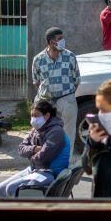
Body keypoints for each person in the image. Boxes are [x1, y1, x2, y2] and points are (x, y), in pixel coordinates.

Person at [0, 101, 70, 198]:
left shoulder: (56, 132)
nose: (33, 119)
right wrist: (35, 148)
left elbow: (43, 157)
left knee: (11, 189)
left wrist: (30, 155)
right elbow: (21, 149)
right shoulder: (36, 129)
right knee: (0, 189)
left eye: (36, 116)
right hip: (35, 169)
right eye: (32, 115)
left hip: (49, 173)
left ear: (47, 115)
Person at [32, 27, 80, 161]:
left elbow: (76, 79)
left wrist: (67, 96)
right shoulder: (38, 59)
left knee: (68, 134)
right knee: (44, 134)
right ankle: (46, 162)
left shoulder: (70, 56)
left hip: (66, 99)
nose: (63, 41)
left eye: (62, 38)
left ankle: (67, 164)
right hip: (46, 103)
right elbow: (36, 81)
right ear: (51, 42)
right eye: (59, 39)